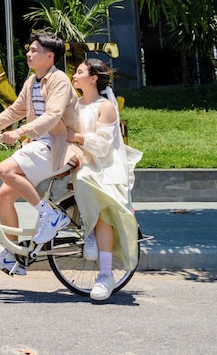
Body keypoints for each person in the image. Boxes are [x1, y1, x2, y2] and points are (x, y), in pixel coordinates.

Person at [0, 31, 81, 275]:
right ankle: (11, 256)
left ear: (50, 56)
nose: (28, 53)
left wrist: (20, 132)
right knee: (3, 197)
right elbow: (14, 111)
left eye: (34, 50)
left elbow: (53, 115)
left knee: (5, 169)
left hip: (59, 147)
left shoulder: (59, 80)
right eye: (29, 49)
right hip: (39, 146)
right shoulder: (32, 82)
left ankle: (50, 215)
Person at [68, 58, 142, 301]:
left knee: (98, 199)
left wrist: (75, 136)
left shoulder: (105, 107)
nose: (74, 75)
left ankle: (106, 274)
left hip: (105, 167)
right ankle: (89, 228)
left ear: (93, 79)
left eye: (79, 71)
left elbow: (101, 147)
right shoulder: (73, 105)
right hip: (80, 162)